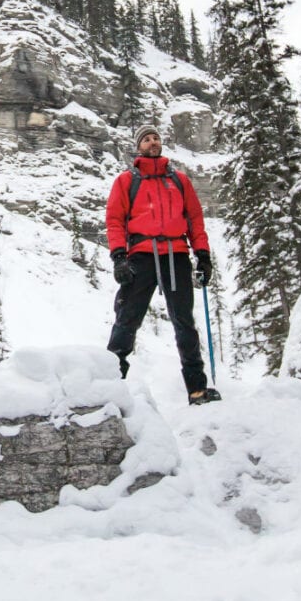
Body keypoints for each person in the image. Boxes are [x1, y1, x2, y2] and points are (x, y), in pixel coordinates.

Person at [104, 126, 221, 405]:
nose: (152, 141)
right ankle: (107, 384)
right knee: (127, 319)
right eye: (146, 139)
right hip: (141, 255)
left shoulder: (180, 181)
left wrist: (202, 255)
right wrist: (119, 256)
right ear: (139, 146)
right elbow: (115, 220)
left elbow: (194, 219)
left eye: (155, 137)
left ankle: (197, 389)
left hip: (176, 254)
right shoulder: (126, 181)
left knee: (184, 323)